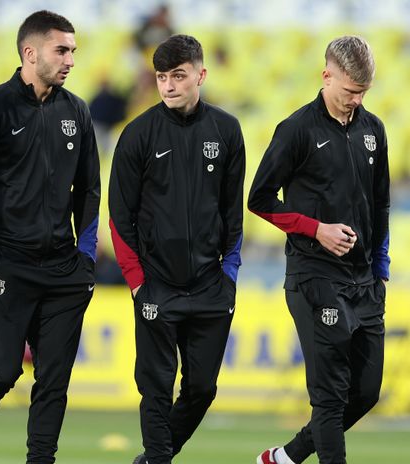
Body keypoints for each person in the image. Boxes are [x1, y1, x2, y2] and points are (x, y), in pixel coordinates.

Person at [0, 10, 100, 464]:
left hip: (65, 269)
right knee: (1, 371)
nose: (70, 60)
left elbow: (89, 189)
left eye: (73, 51)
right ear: (30, 53)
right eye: (61, 50)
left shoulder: (77, 111)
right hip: (8, 264)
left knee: (54, 380)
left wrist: (84, 256)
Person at [248, 35, 390, 464]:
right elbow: (259, 199)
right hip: (315, 278)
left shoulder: (373, 130)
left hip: (365, 282)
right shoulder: (297, 130)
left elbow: (381, 202)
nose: (356, 100)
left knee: (365, 393)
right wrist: (316, 230)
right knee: (329, 398)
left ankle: (286, 457)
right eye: (349, 91)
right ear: (326, 75)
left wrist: (381, 270)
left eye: (363, 92)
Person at [108, 34, 245, 464]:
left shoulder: (226, 130)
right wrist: (137, 283)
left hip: (210, 286)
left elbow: (233, 212)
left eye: (178, 76)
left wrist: (229, 275)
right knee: (155, 387)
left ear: (200, 75)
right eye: (162, 77)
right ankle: (158, 458)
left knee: (202, 389)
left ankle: (152, 458)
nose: (168, 85)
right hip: (156, 285)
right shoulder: (138, 134)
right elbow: (119, 217)